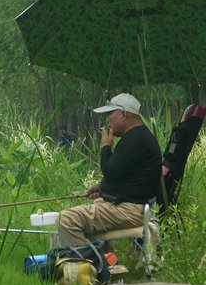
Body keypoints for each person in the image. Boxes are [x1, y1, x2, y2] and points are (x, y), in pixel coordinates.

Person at [56, 93, 162, 247]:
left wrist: (106, 147)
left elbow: (110, 173)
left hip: (131, 210)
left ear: (124, 114)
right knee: (97, 202)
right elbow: (124, 177)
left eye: (110, 113)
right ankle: (106, 260)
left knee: (66, 219)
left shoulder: (135, 139)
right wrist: (103, 189)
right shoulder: (138, 137)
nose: (107, 120)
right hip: (134, 206)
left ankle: (84, 266)